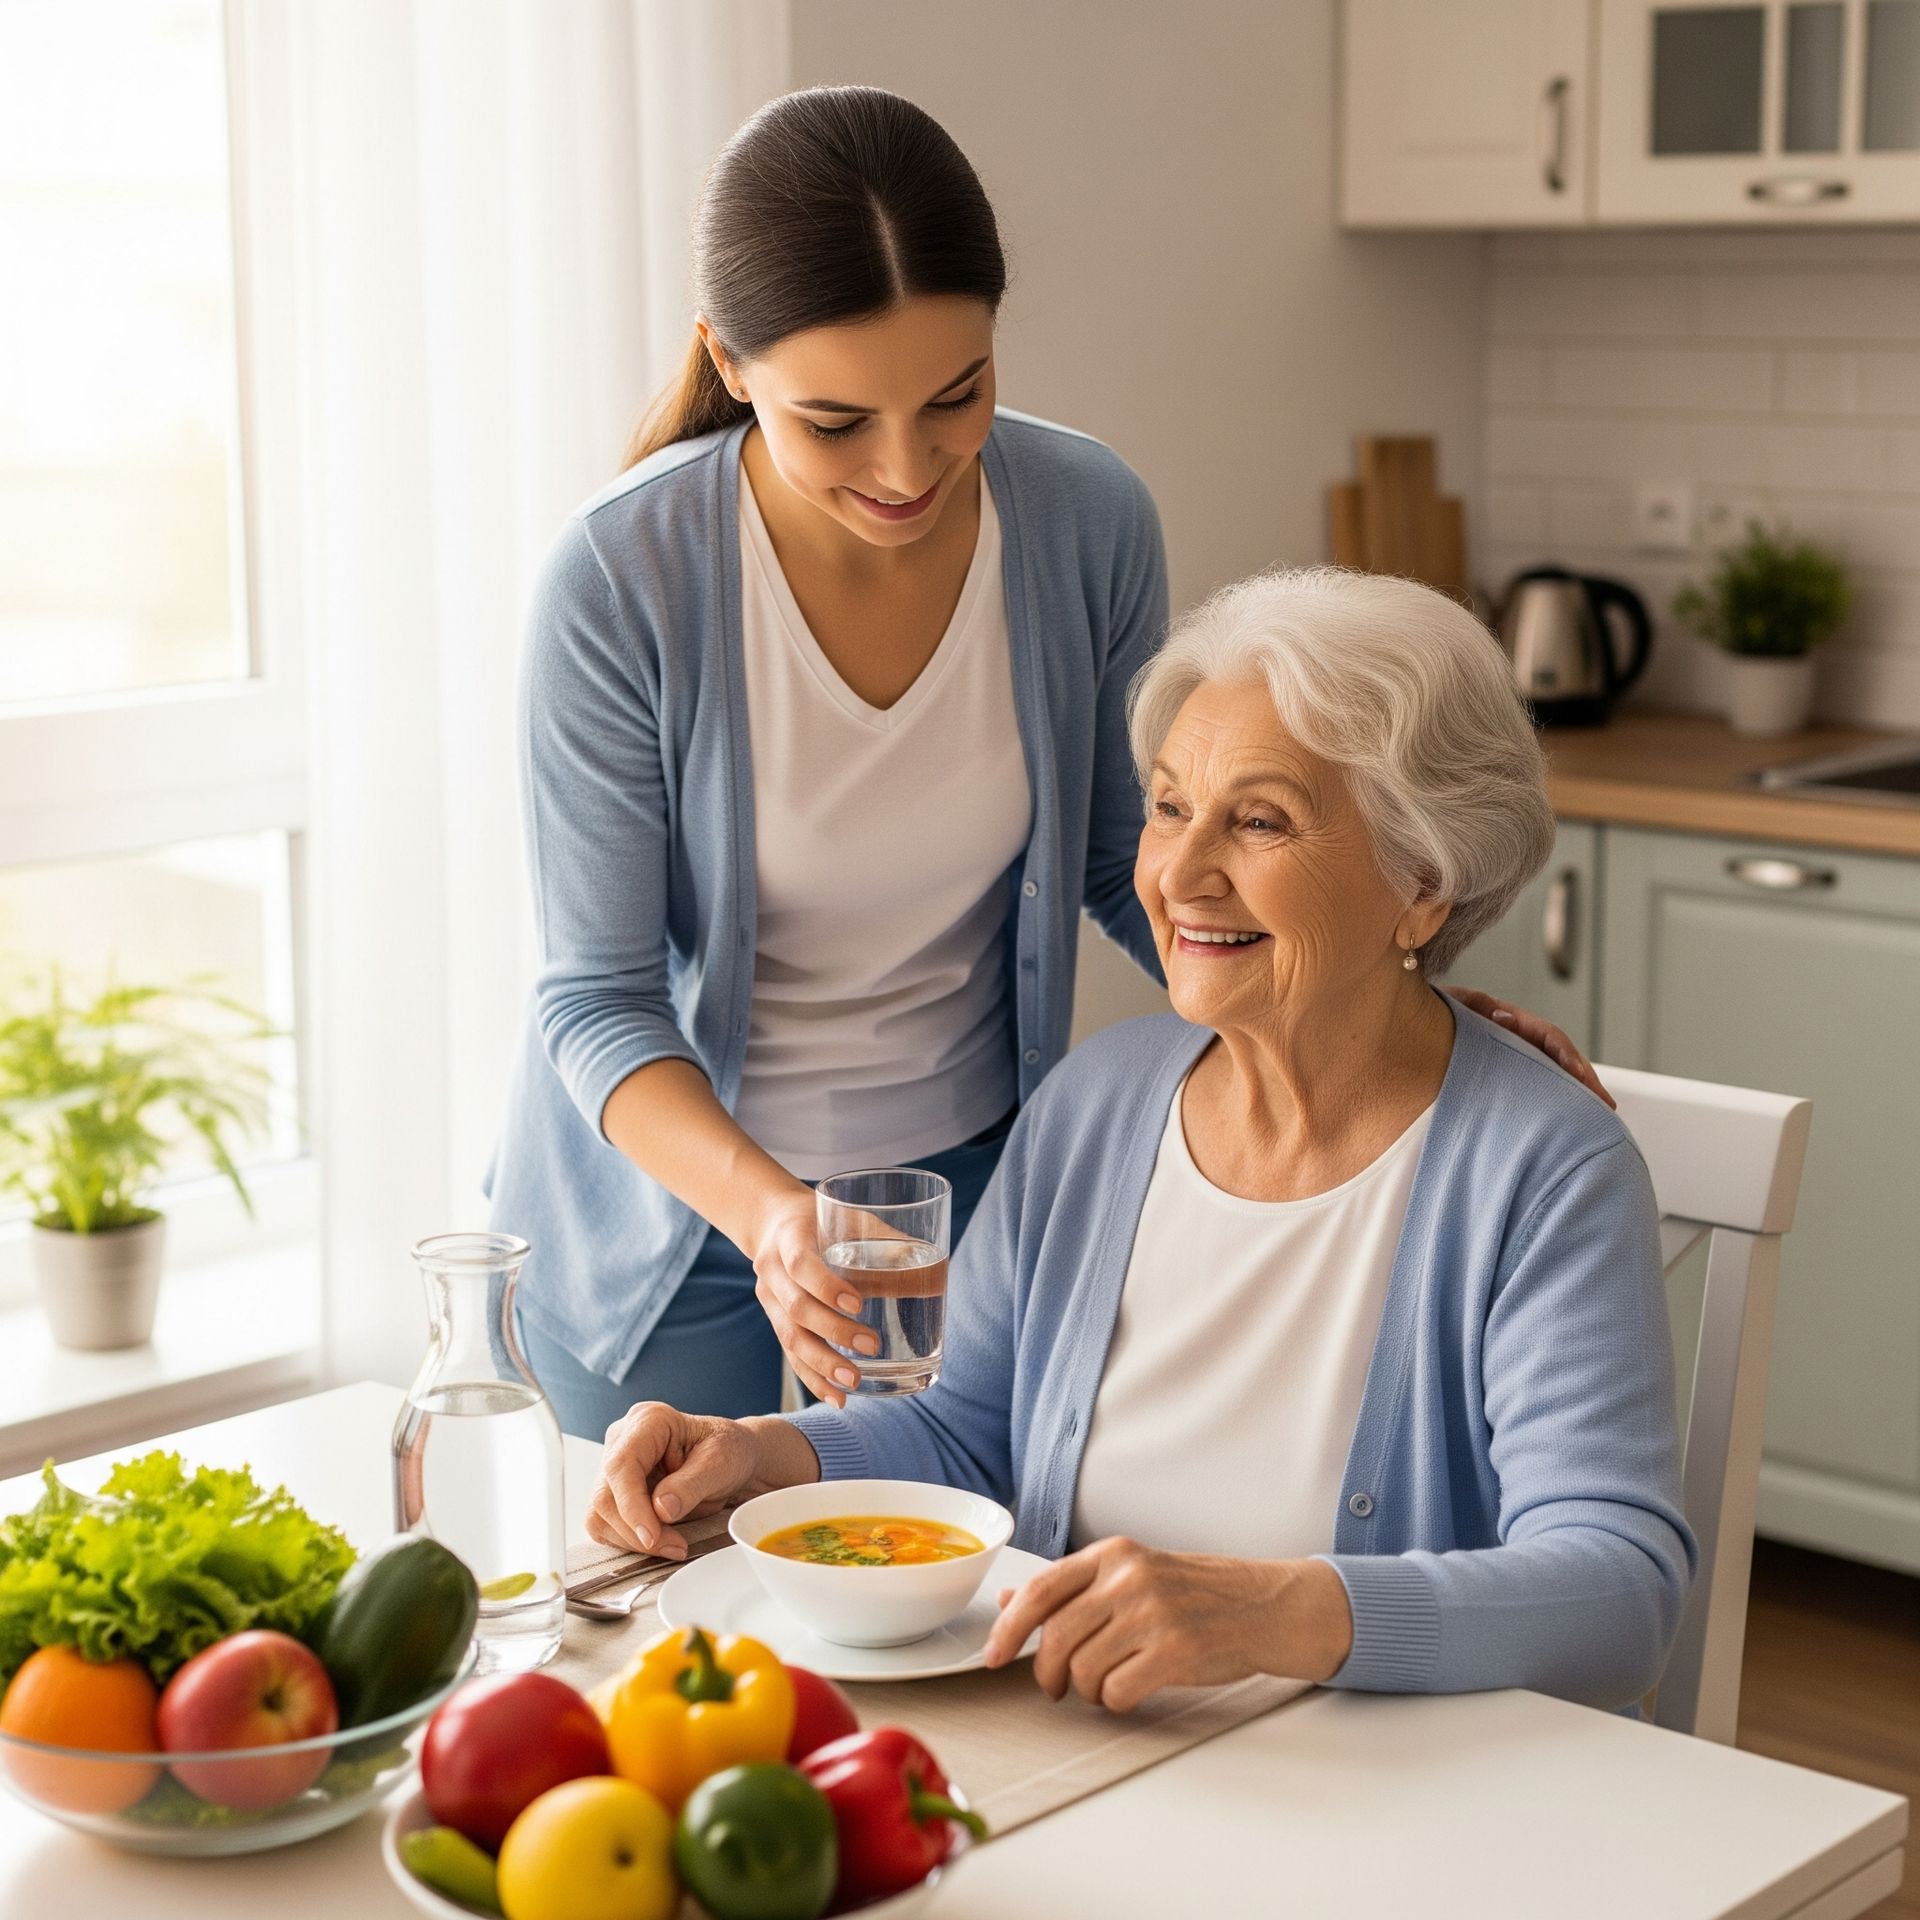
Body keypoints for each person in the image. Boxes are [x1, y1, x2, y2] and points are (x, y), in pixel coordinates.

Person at [489, 84, 1604, 1440]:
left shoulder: (1084, 519)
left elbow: (1123, 855)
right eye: (835, 422)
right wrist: (775, 1220)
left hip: (968, 1186)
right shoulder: (624, 580)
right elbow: (598, 1003)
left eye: (957, 396)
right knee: (679, 1612)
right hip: (675, 1217)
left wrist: (1379, 995)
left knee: (943, 1587)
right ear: (730, 364)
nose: (908, 469)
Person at [585, 567, 1696, 1717]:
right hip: (1086, 1739)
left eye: (1259, 820)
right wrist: (758, 1457)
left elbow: (1621, 1595)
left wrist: (1274, 1615)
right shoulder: (1099, 1103)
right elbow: (965, 1432)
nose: (1179, 872)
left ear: (1425, 884)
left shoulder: (1544, 1171)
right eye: (1169, 808)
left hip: (1375, 1795)